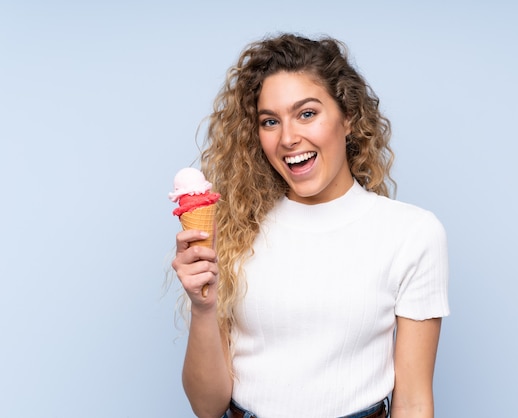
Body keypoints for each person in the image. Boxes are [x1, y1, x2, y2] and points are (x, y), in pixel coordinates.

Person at [172, 33, 449, 418]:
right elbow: (206, 407)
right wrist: (203, 309)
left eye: (307, 113)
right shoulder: (234, 231)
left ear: (348, 117)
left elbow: (415, 402)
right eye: (270, 121)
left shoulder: (412, 234)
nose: (288, 138)